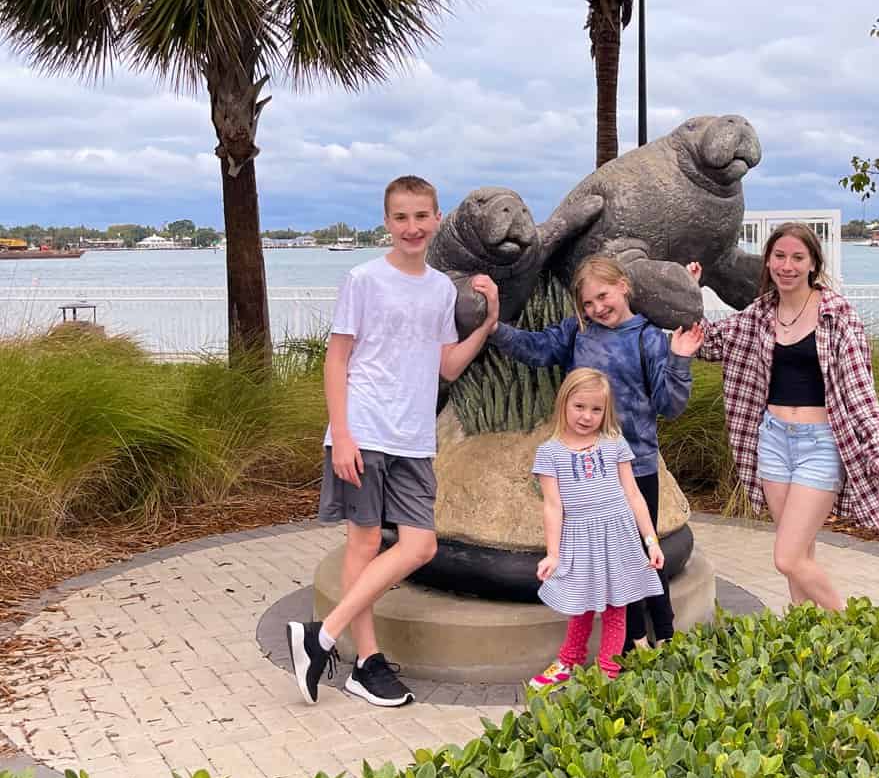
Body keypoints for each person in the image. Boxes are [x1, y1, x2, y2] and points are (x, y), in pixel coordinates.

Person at [287, 175, 498, 708]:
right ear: (387, 222)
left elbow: (445, 364)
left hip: (414, 437)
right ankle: (368, 662)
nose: (412, 227)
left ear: (437, 219)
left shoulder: (441, 290)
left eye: (421, 216)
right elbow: (337, 358)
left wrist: (487, 324)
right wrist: (342, 434)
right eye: (401, 217)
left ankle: (322, 635)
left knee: (419, 545)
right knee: (363, 544)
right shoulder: (364, 279)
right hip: (364, 430)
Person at [487, 255, 702, 648]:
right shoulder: (578, 332)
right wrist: (494, 329)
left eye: (602, 296)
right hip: (587, 472)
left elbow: (669, 405)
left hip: (635, 466)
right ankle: (631, 641)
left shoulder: (649, 338)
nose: (597, 308)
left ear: (623, 286)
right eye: (587, 303)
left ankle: (665, 635)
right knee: (616, 562)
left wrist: (680, 359)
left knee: (644, 550)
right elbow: (536, 349)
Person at [693, 224, 879, 611]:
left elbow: (860, 389)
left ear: (812, 264)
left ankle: (853, 625)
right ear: (768, 261)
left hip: (820, 443)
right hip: (773, 440)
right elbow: (707, 341)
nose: (787, 266)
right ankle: (808, 637)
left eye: (797, 258)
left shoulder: (837, 316)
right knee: (800, 556)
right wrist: (689, 291)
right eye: (779, 256)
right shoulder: (758, 315)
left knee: (786, 557)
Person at [529, 367, 666, 686]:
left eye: (596, 409)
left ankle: (608, 672)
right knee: (582, 604)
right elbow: (553, 505)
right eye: (580, 406)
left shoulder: (613, 443)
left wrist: (651, 541)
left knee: (617, 607)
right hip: (580, 540)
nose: (587, 416)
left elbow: (634, 494)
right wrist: (553, 553)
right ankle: (569, 660)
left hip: (618, 536)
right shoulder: (550, 453)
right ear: (564, 402)